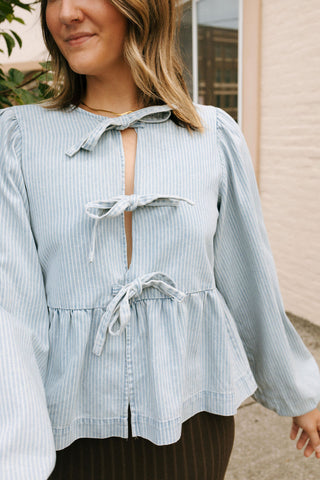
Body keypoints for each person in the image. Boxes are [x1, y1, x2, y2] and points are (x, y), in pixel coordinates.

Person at [0, 0, 320, 479]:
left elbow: (249, 280)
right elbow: (10, 314)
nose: (65, 13)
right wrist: (17, 460)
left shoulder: (213, 135)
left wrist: (300, 391)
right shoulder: (19, 139)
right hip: (64, 428)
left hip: (194, 418)